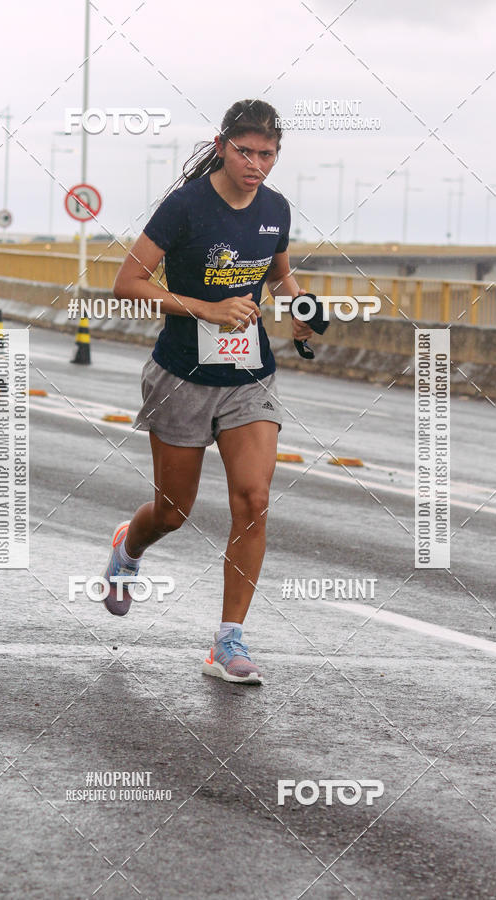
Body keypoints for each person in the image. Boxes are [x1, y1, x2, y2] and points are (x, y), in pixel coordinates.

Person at [104, 98, 312, 684]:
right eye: (246, 151)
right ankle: (129, 545)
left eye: (268, 154)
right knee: (173, 511)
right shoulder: (185, 207)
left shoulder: (275, 208)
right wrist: (203, 307)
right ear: (222, 147)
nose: (257, 164)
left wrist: (297, 304)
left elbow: (276, 270)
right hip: (182, 377)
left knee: (254, 499)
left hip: (250, 377)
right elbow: (127, 282)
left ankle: (228, 641)